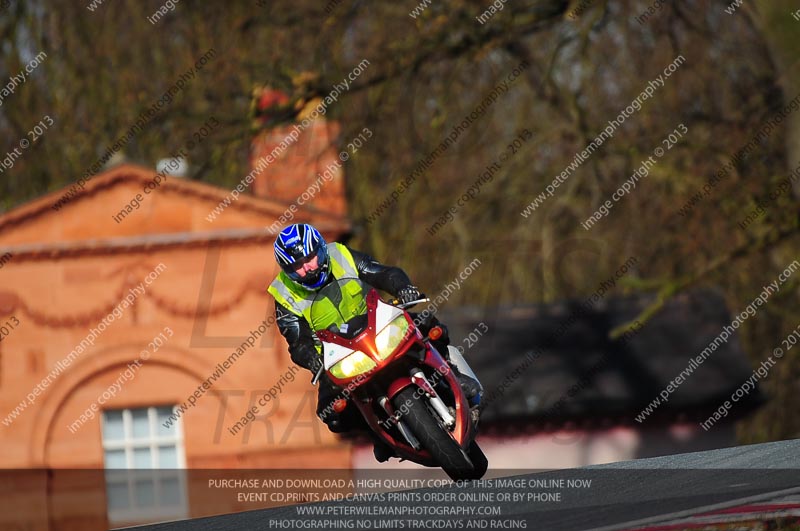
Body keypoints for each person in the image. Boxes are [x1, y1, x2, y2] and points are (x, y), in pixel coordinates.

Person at [267, 223, 480, 462]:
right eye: (297, 266)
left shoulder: (340, 254)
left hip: (379, 325)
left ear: (320, 249)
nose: (307, 268)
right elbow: (297, 341)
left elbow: (382, 273)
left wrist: (403, 288)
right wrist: (312, 358)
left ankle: (452, 373)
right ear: (287, 270)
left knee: (428, 325)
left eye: (310, 258)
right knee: (332, 414)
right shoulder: (283, 293)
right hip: (337, 356)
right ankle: (377, 434)